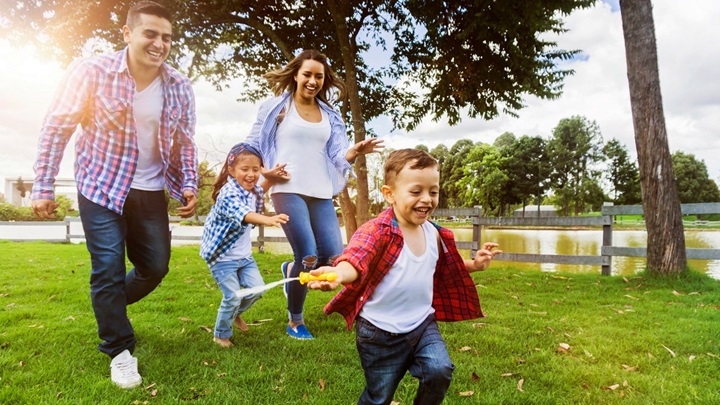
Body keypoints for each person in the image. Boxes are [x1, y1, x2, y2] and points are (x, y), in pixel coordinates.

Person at [30, 1, 198, 389]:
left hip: (151, 190)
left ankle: (108, 307)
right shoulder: (92, 71)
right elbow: (57, 127)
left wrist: (187, 182)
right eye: (151, 34)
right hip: (101, 186)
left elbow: (184, 143)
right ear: (127, 33)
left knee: (155, 267)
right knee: (106, 268)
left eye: (167, 37)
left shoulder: (180, 86)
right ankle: (119, 349)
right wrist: (43, 184)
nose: (160, 44)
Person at [308, 149, 502, 404]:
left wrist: (474, 265)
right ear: (390, 194)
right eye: (415, 191)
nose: (427, 199)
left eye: (433, 191)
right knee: (379, 396)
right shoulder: (377, 231)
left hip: (422, 324)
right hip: (378, 333)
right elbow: (357, 258)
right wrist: (338, 273)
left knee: (439, 370)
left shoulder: (434, 233)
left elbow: (448, 265)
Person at [246, 49, 384, 340]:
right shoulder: (276, 108)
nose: (312, 80)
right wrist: (263, 174)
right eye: (307, 74)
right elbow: (253, 143)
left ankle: (290, 271)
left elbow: (337, 155)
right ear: (295, 75)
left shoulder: (330, 115)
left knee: (334, 257)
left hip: (320, 190)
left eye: (318, 76)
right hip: (288, 188)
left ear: (324, 80)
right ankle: (295, 321)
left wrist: (355, 151)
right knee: (308, 256)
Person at [200, 143, 290, 348]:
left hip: (244, 257)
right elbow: (244, 214)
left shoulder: (251, 190)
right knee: (232, 296)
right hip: (221, 257)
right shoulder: (228, 193)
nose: (251, 174)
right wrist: (267, 219)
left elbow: (261, 187)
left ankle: (234, 313)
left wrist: (272, 176)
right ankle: (221, 335)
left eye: (255, 170)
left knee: (257, 289)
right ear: (231, 171)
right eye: (244, 169)